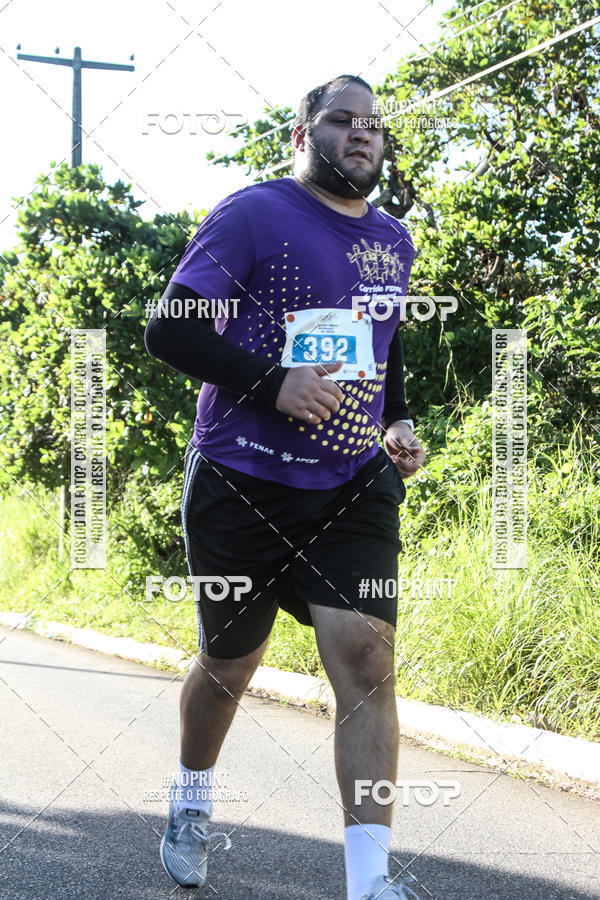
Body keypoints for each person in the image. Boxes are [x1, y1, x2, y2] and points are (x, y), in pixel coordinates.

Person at [144, 73, 426, 900]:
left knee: (369, 658)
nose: (362, 134)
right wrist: (273, 383)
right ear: (303, 134)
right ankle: (192, 800)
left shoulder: (394, 240)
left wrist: (396, 420)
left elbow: (384, 343)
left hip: (349, 483)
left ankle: (369, 881)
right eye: (342, 121)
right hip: (241, 476)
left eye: (373, 124)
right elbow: (169, 328)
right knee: (233, 665)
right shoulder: (253, 213)